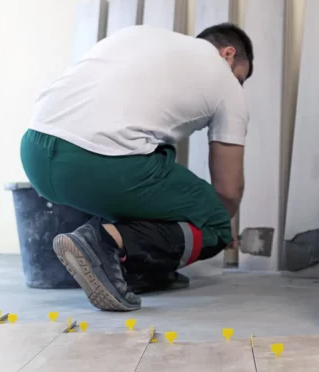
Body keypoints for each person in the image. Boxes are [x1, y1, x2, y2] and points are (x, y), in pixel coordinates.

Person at [20, 22, 253, 311]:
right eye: (241, 77)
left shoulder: (140, 34)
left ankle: (138, 270)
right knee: (215, 222)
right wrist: (211, 228)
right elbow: (228, 190)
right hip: (94, 165)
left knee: (159, 154)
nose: (238, 84)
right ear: (228, 54)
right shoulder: (226, 82)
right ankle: (104, 242)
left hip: (35, 153)